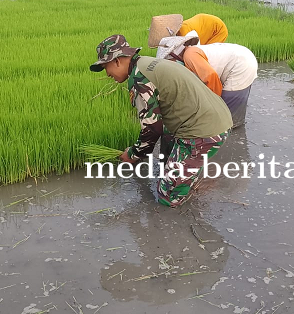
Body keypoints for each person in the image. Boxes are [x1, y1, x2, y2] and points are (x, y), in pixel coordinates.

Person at [90, 34, 233, 207]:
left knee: (167, 196)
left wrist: (133, 154)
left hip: (203, 133)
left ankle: (187, 186)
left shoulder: (139, 78)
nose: (107, 74)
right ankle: (185, 173)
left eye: (106, 67)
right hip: (217, 116)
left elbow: (151, 129)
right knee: (168, 141)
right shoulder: (146, 63)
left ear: (117, 61)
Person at [157, 33, 258, 128]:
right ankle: (236, 127)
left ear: (175, 55)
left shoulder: (190, 55)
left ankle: (230, 136)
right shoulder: (191, 53)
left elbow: (211, 78)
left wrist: (213, 104)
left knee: (225, 115)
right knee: (233, 107)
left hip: (240, 65)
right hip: (242, 59)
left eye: (171, 61)